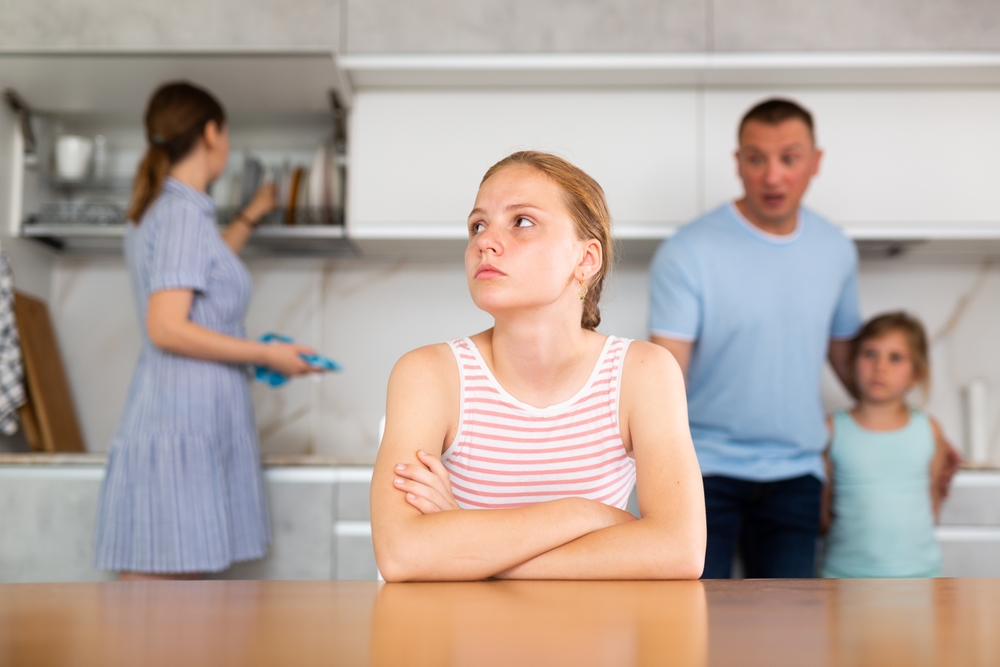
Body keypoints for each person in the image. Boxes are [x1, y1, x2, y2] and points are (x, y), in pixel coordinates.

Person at [370, 151, 706, 582]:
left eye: (521, 221)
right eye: (477, 225)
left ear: (585, 260)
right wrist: (584, 514)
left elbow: (679, 551)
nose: (484, 242)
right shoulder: (428, 374)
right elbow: (402, 555)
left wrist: (471, 556)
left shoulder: (643, 373)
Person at [94, 82, 316, 580]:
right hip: (184, 422)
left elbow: (203, 271)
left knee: (164, 604)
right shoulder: (183, 214)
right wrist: (264, 354)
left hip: (179, 416)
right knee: (169, 607)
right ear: (212, 133)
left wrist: (250, 215)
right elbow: (167, 327)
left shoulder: (166, 210)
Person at [649, 98, 862, 578]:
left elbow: (853, 365)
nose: (772, 176)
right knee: (694, 632)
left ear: (815, 162)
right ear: (738, 162)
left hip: (796, 476)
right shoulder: (689, 251)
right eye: (756, 158)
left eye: (789, 158)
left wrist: (912, 428)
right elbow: (662, 377)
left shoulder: (835, 250)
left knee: (790, 643)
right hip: (703, 472)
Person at [821, 312, 948, 578]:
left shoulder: (929, 429)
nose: (880, 367)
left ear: (916, 374)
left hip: (920, 576)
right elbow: (823, 509)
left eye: (895, 358)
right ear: (853, 362)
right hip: (844, 577)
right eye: (870, 354)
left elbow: (932, 499)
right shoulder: (833, 429)